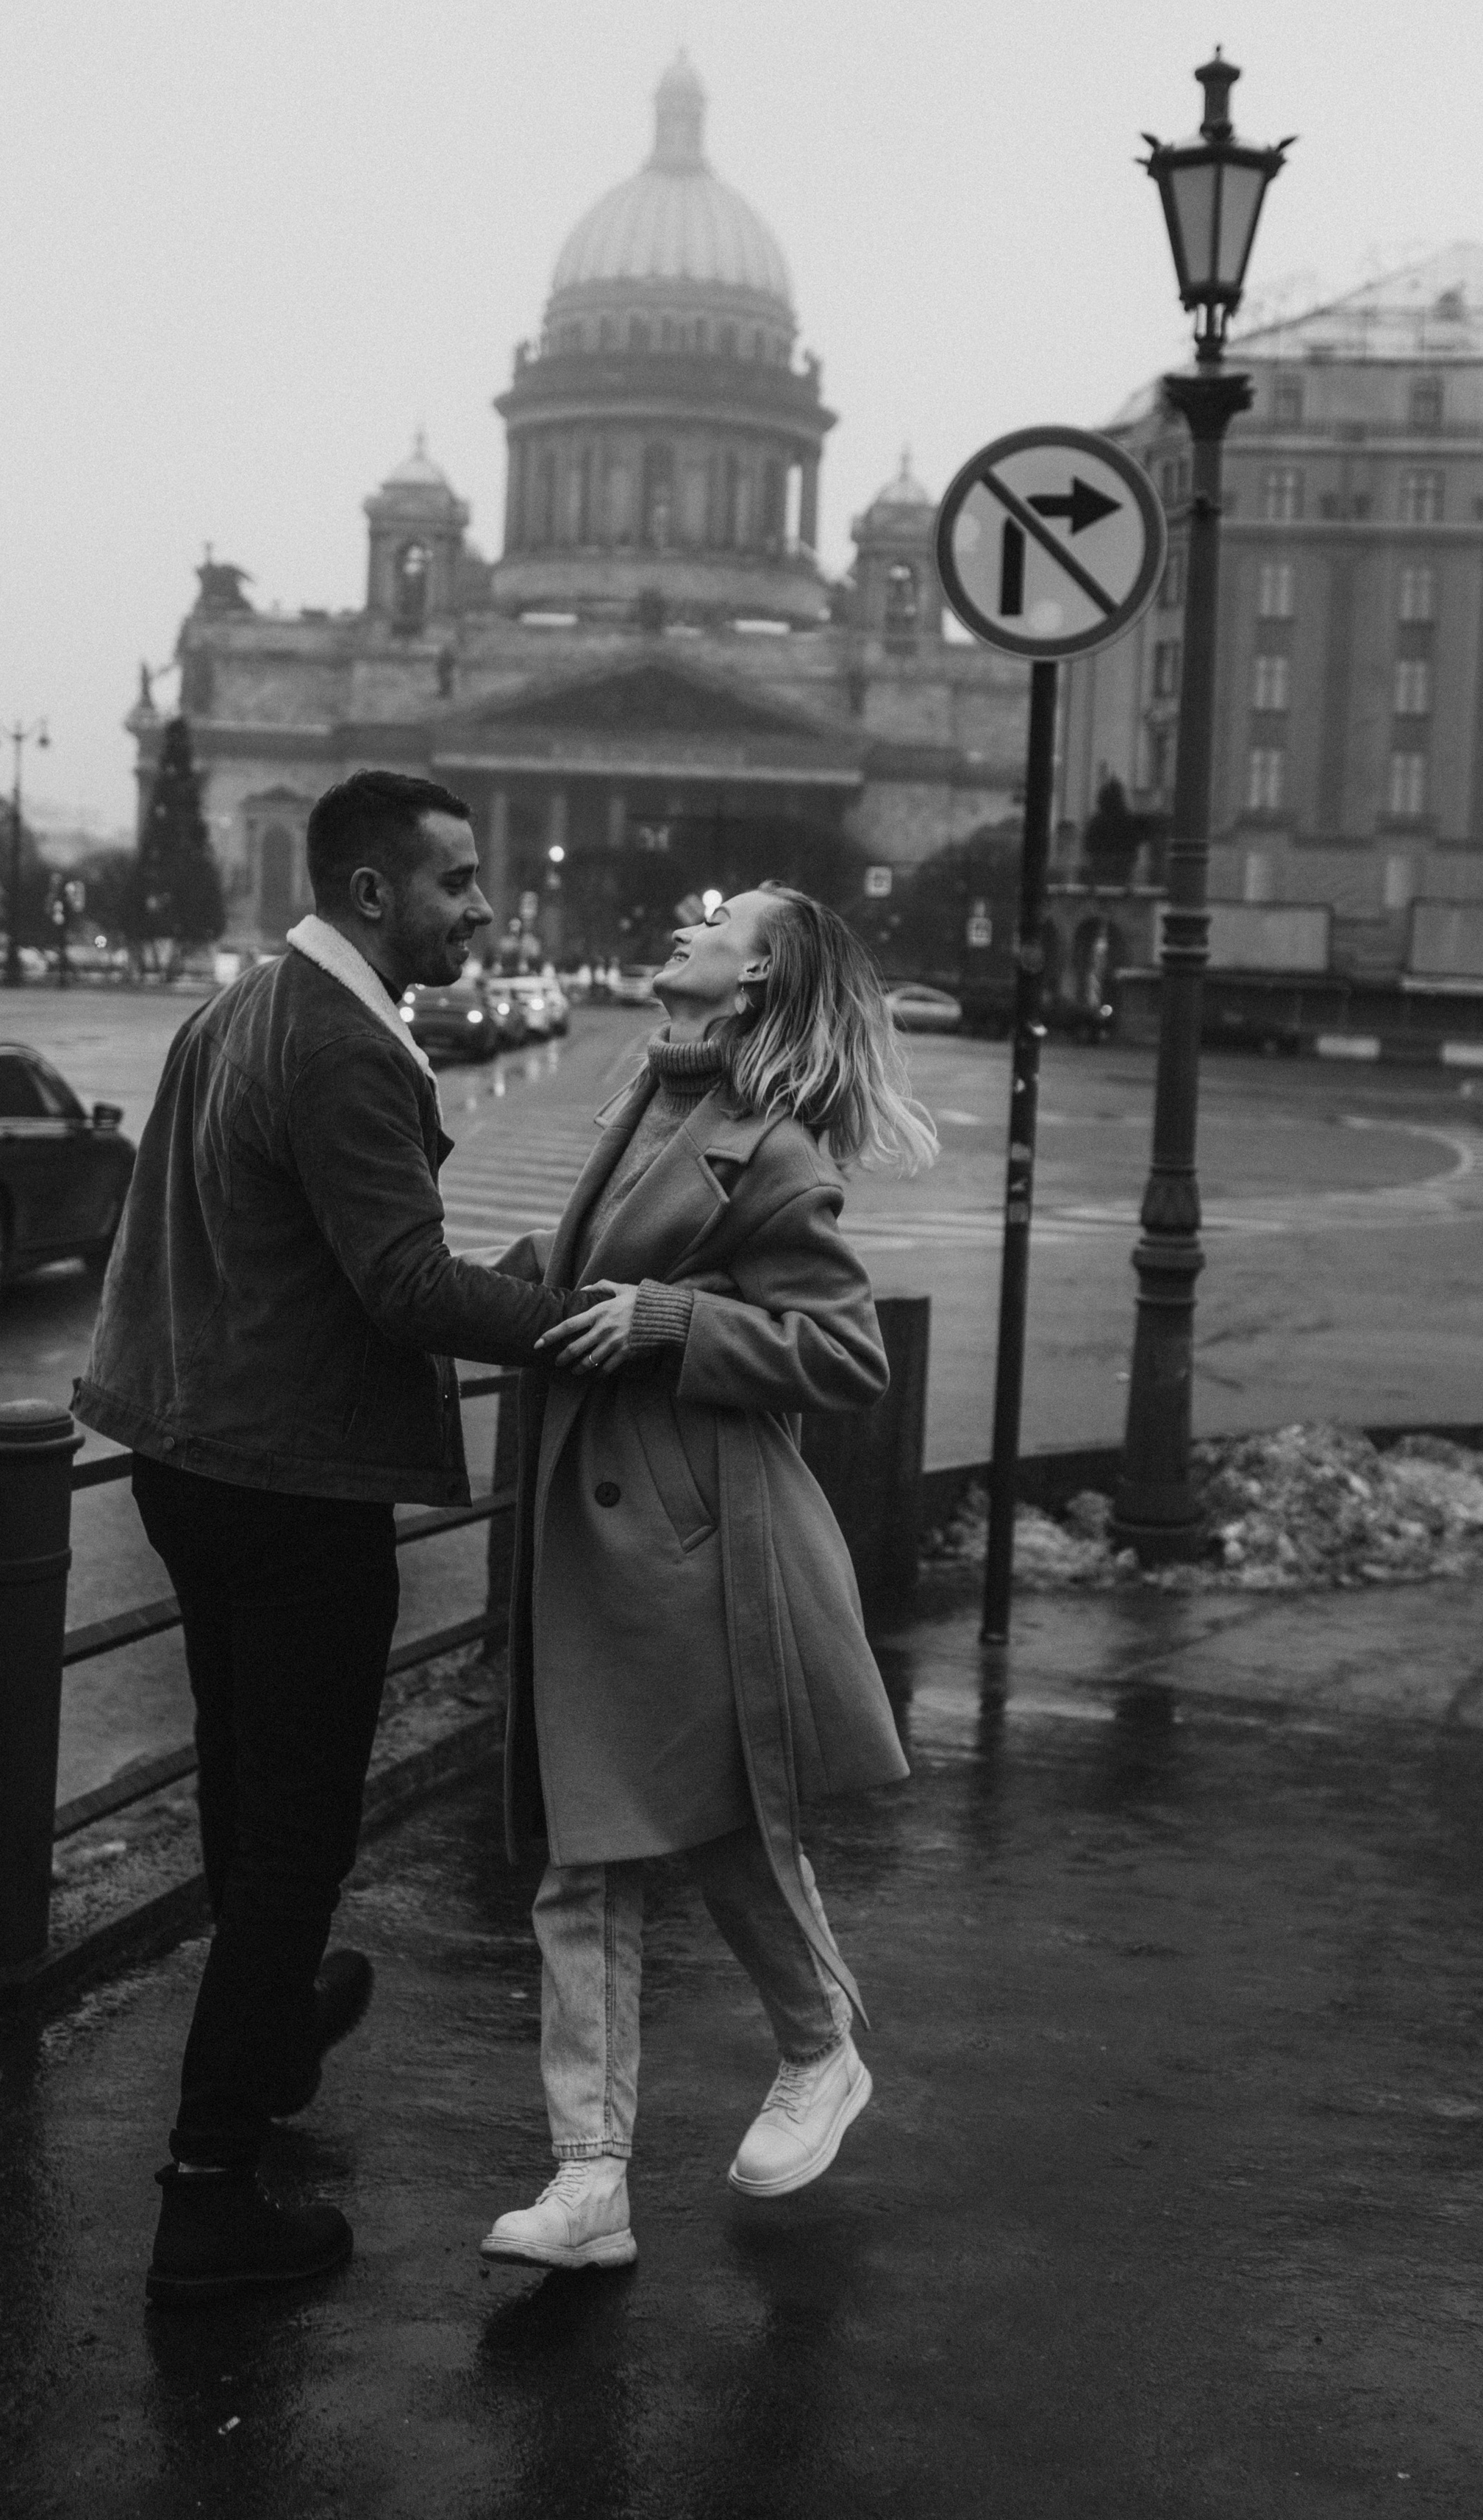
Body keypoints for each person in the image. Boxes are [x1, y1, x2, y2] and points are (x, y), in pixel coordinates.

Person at [74, 770, 593, 2308]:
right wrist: (592, 1326)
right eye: (455, 883)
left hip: (190, 1454)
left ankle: (279, 2025)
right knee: (296, 1837)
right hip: (292, 1486)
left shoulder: (245, 1006)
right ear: (374, 893)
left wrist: (487, 1277)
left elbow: (281, 1247)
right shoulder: (345, 1044)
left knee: (247, 1801)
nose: (481, 909)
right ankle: (208, 2190)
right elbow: (403, 1291)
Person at [480, 882, 938, 2271]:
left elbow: (848, 1355)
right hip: (603, 1532)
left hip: (694, 1542)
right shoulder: (654, 1104)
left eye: (719, 922)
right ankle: (589, 2179)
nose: (686, 925)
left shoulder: (774, 1152)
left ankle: (819, 2052)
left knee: (726, 1831)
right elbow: (582, 1285)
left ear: (753, 984)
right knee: (584, 1862)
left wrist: (679, 1321)